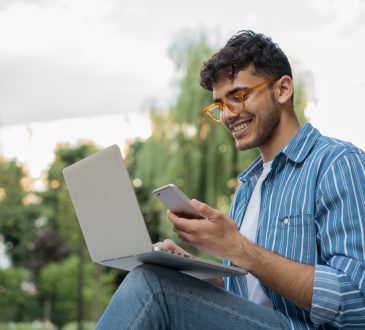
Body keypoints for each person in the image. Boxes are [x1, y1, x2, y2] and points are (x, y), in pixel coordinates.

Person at [96, 30, 365, 329]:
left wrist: (236, 247)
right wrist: (191, 271)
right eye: (220, 105)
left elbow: (356, 301)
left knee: (151, 285)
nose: (227, 115)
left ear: (283, 89)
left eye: (237, 96)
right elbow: (247, 301)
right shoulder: (247, 189)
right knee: (160, 278)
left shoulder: (337, 163)